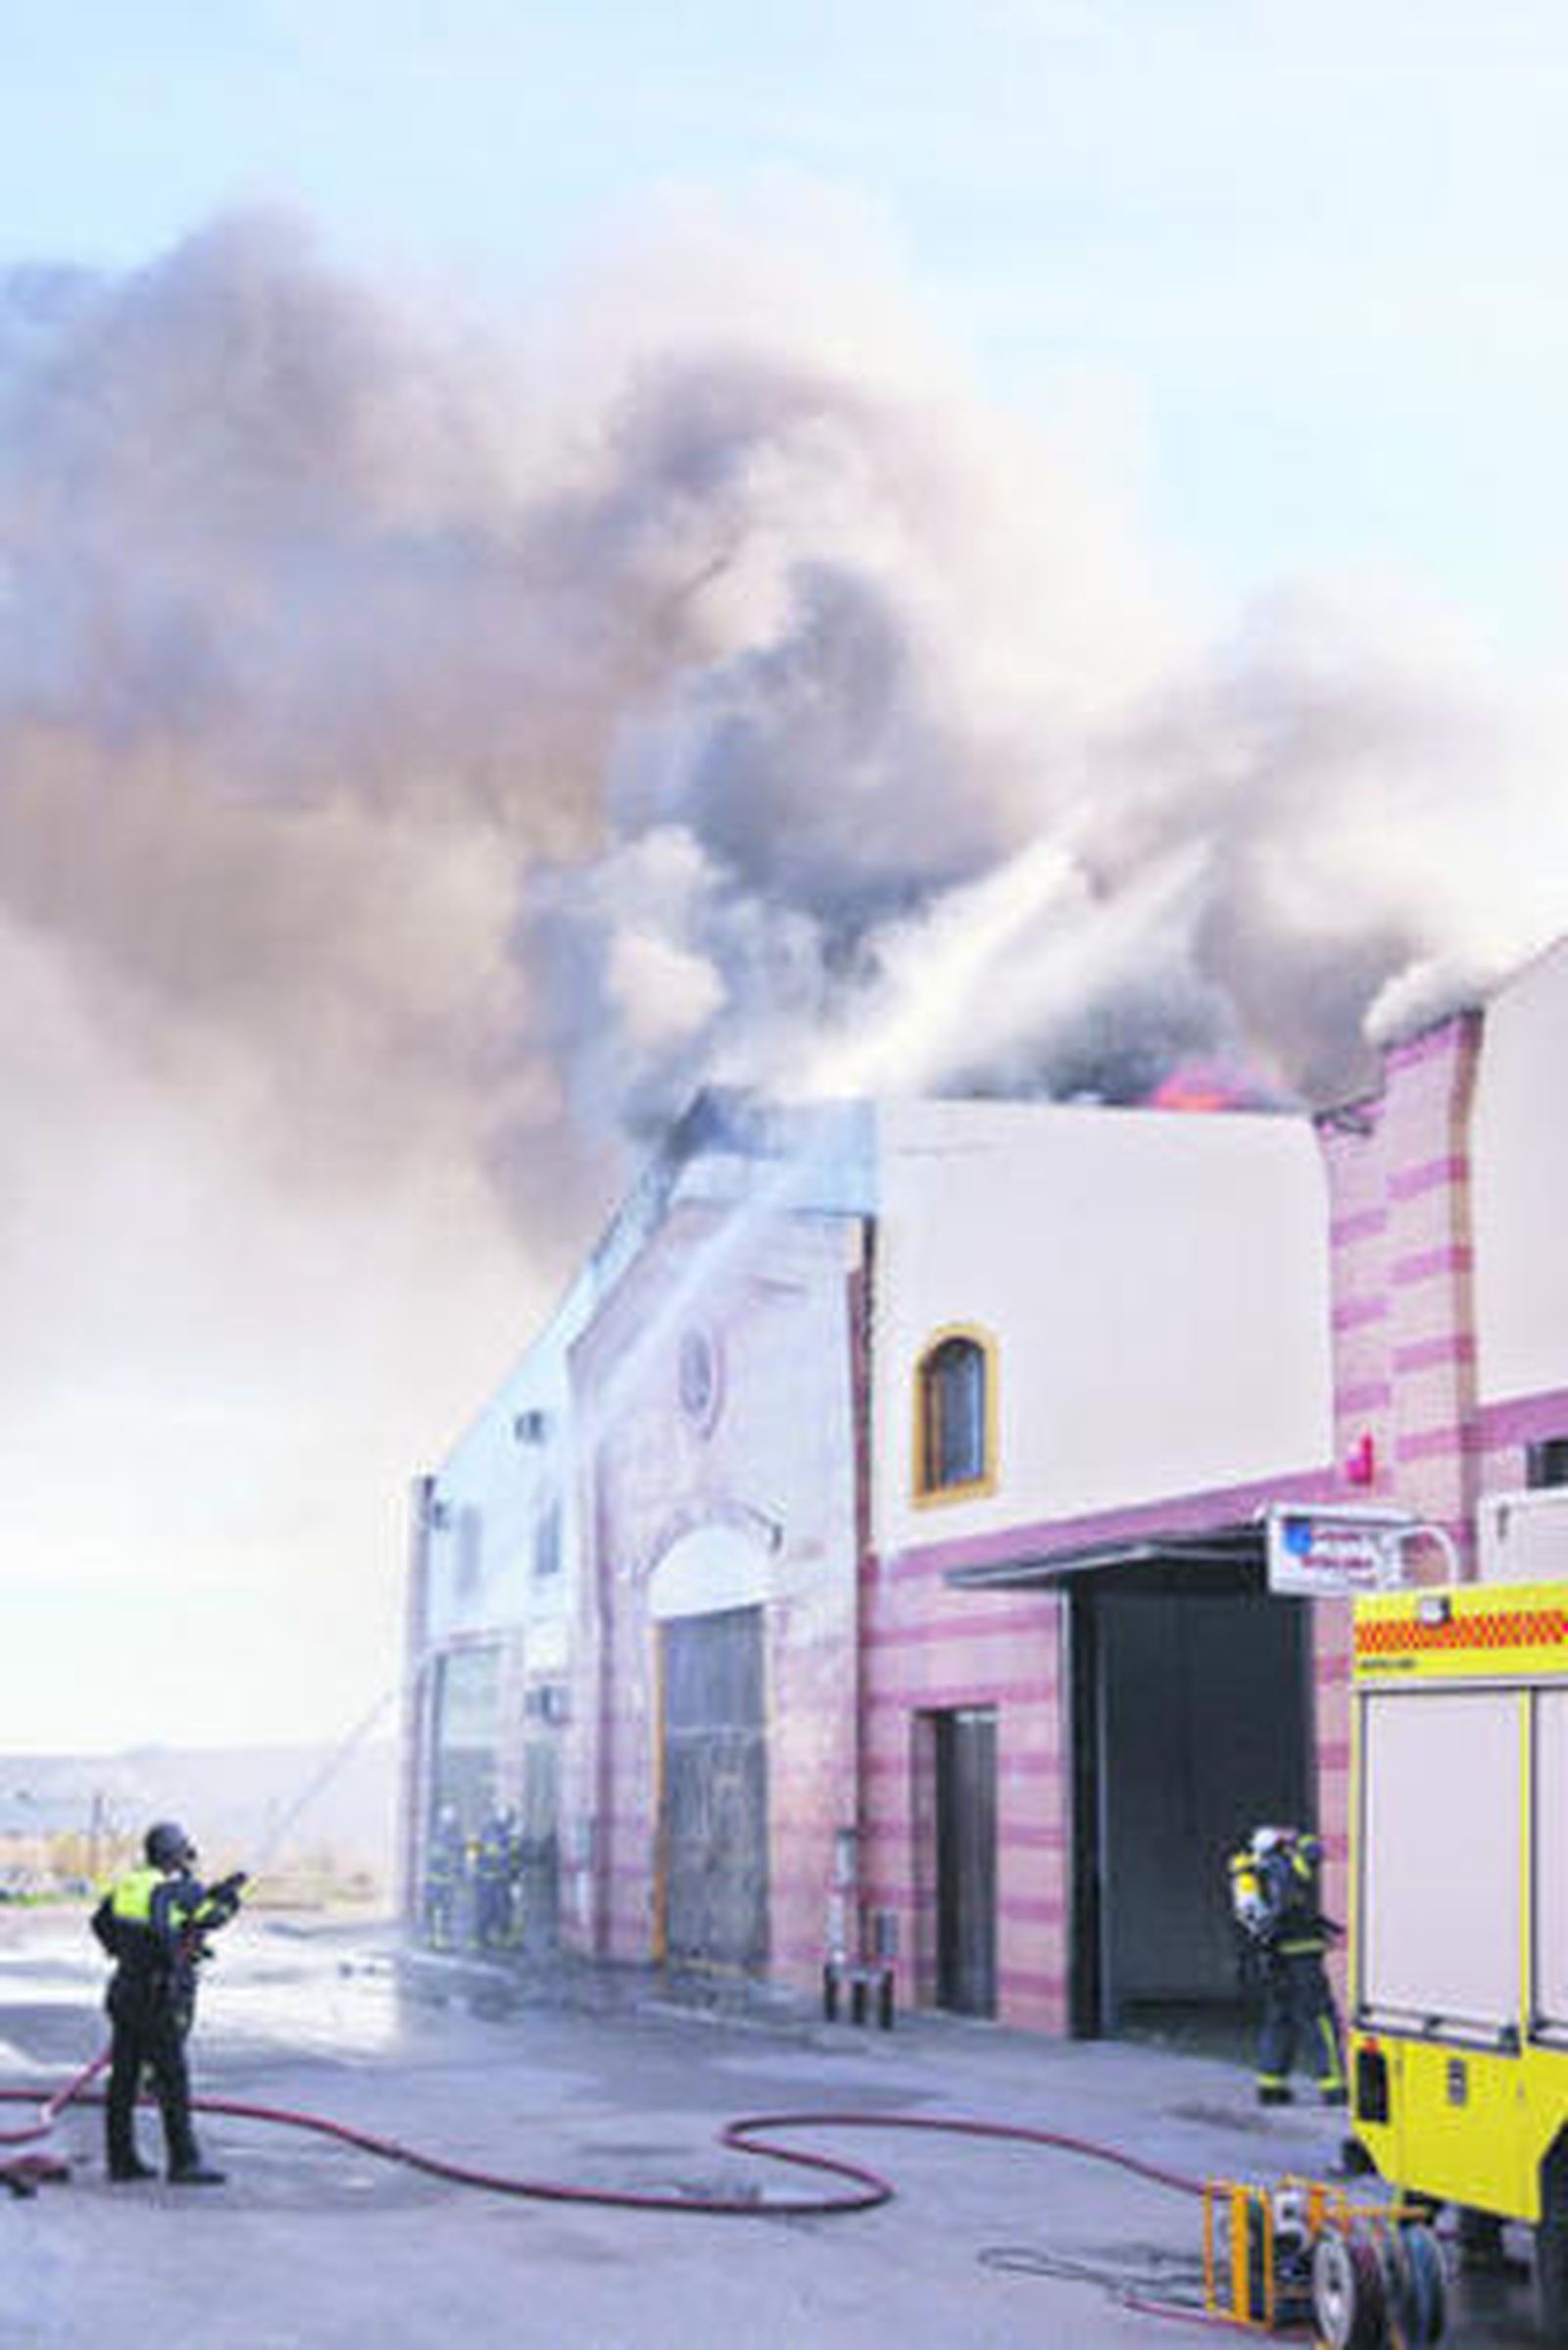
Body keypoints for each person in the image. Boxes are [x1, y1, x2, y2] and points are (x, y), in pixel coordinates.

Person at [90, 1820, 246, 2184]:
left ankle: (121, 2160)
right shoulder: (172, 1890)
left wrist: (123, 1951)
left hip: (125, 1990)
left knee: (124, 2078)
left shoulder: (130, 1884)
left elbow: (99, 1922)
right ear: (176, 1854)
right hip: (158, 1999)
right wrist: (229, 1899)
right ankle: (184, 2161)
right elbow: (211, 1917)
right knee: (172, 2079)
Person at [1228, 1824, 1347, 2107]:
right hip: (1301, 1957)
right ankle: (1334, 2086)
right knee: (1320, 2019)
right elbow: (1313, 1852)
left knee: (1278, 2019)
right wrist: (1298, 1836)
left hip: (1270, 1960)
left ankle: (1272, 2085)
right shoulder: (1285, 1866)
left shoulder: (1247, 1874)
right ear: (1278, 1847)